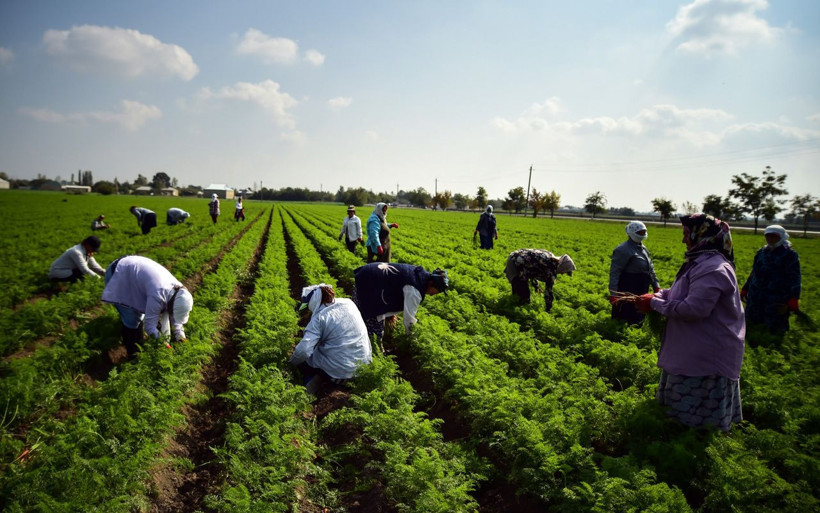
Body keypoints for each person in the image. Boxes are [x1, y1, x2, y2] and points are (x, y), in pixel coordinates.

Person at [632, 214, 744, 432]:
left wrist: (654, 304)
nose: (684, 240)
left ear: (702, 235)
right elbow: (681, 295)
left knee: (695, 428)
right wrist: (660, 296)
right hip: (690, 351)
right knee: (678, 423)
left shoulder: (713, 268)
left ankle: (691, 454)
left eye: (686, 234)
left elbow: (694, 309)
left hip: (705, 358)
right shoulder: (699, 263)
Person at [102, 255, 193, 357]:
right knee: (131, 319)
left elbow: (176, 318)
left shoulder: (179, 293)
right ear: (171, 306)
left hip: (134, 272)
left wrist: (181, 337)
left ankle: (139, 345)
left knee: (139, 316)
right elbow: (149, 327)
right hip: (119, 274)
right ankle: (133, 354)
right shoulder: (158, 295)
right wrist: (165, 345)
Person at [289, 284, 372, 394]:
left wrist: (291, 363)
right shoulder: (348, 303)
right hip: (364, 367)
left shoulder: (319, 318)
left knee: (304, 362)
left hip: (341, 374)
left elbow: (304, 351)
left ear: (313, 303)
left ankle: (310, 386)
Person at [353, 262, 448, 341]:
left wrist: (390, 313)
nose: (433, 294)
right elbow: (409, 319)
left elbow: (396, 283)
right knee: (372, 329)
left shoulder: (419, 275)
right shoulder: (415, 290)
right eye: (436, 291)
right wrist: (412, 338)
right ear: (431, 283)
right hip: (370, 282)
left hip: (368, 275)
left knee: (359, 315)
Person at [741, 224, 801, 336]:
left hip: (777, 296)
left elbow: (795, 277)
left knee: (773, 327)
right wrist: (745, 288)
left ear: (781, 237)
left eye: (774, 236)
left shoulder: (789, 255)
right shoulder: (761, 252)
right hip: (756, 295)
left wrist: (793, 298)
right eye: (768, 236)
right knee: (752, 324)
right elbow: (754, 272)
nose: (770, 239)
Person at [608, 221, 661, 325]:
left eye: (643, 232)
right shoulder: (622, 250)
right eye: (639, 232)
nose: (642, 235)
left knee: (639, 313)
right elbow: (615, 272)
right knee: (625, 315)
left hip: (642, 286)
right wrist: (614, 294)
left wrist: (656, 286)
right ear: (632, 233)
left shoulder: (644, 249)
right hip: (628, 286)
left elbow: (650, 269)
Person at [504, 249, 576, 311]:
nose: (563, 273)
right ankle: (514, 312)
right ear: (562, 267)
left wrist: (536, 285)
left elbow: (533, 268)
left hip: (515, 258)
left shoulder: (550, 258)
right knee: (524, 295)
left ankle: (513, 307)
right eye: (564, 271)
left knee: (520, 290)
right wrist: (548, 309)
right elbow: (548, 291)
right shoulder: (550, 267)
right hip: (515, 263)